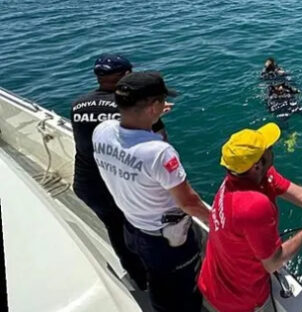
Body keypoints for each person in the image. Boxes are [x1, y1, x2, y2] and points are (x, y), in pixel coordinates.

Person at [198, 124, 302, 312]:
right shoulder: (253, 204)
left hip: (213, 278)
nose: (272, 149)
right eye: (267, 148)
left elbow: (301, 195)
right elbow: (273, 263)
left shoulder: (241, 177)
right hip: (239, 300)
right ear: (257, 165)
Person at [92, 71, 210, 312]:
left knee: (157, 279)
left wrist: (151, 117)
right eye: (160, 101)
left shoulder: (102, 130)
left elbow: (131, 144)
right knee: (178, 295)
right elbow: (188, 203)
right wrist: (218, 222)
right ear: (154, 106)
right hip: (166, 242)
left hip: (132, 228)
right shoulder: (159, 153)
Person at [71, 53, 169, 289]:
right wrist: (155, 114)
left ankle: (137, 277)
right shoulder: (131, 108)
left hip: (86, 183)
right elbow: (159, 142)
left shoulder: (78, 103)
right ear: (126, 75)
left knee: (114, 228)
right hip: (116, 183)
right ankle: (156, 277)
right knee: (141, 229)